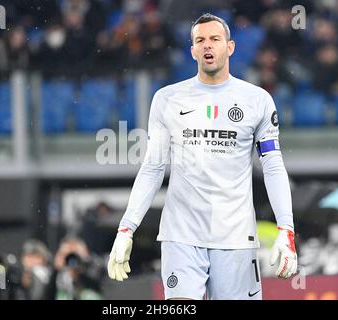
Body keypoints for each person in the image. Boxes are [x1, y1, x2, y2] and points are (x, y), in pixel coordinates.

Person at [107, 13, 297, 300]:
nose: (208, 46)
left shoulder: (257, 100)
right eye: (200, 40)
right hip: (181, 236)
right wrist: (126, 228)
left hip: (236, 238)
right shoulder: (167, 99)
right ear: (192, 50)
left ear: (229, 47)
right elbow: (152, 167)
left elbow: (272, 166)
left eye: (215, 39)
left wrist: (287, 228)